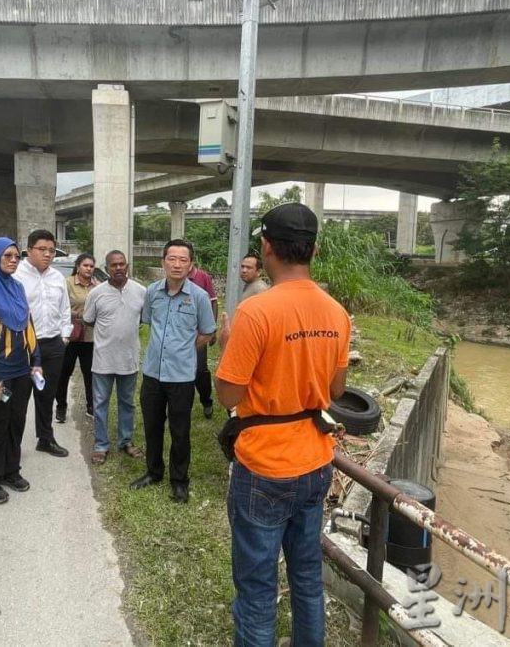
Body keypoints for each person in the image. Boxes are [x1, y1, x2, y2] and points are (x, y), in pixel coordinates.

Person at [214, 203, 351, 647]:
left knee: (257, 590)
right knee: (307, 576)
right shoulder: (336, 312)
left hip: (265, 465)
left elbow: (229, 396)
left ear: (267, 246)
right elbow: (333, 391)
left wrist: (230, 344)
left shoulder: (257, 312)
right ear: (314, 248)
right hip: (315, 460)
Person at [130, 239, 215, 503]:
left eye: (183, 260)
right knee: (152, 426)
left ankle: (179, 481)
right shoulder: (152, 292)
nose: (177, 264)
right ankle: (153, 471)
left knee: (180, 430)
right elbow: (147, 322)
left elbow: (207, 332)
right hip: (153, 372)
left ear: (190, 266)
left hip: (181, 375)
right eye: (172, 259)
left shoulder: (199, 297)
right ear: (163, 262)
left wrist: (186, 349)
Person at [0, 237, 44, 505]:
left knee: (16, 422)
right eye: (7, 256)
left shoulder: (17, 288)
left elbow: (28, 326)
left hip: (21, 370)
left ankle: (11, 470)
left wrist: (35, 359)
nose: (13, 260)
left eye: (16, 256)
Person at [82, 250, 146, 465]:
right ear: (106, 268)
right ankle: (101, 445)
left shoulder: (140, 291)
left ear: (127, 266)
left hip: (129, 359)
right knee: (100, 404)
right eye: (113, 265)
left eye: (121, 264)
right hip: (103, 360)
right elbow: (88, 320)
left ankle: (125, 441)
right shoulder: (96, 293)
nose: (118, 268)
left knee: (127, 403)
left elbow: (142, 320)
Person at [13, 229, 72, 458]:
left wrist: (64, 336)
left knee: (47, 395)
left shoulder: (57, 277)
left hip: (53, 344)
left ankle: (45, 439)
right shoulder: (16, 276)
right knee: (19, 399)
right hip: (25, 346)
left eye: (51, 250)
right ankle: (13, 448)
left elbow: (64, 308)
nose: (48, 254)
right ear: (28, 250)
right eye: (42, 249)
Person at [55, 253, 99, 422]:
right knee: (64, 372)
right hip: (70, 336)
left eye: (91, 266)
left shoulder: (97, 285)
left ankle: (91, 406)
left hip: (90, 337)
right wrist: (79, 314)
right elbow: (60, 308)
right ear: (78, 266)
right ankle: (61, 407)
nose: (89, 269)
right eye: (85, 265)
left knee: (90, 373)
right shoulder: (67, 284)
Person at [188, 262, 218, 418]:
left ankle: (207, 401)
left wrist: (211, 329)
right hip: (179, 334)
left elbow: (213, 301)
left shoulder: (202, 277)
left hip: (199, 333)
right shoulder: (173, 277)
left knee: (200, 370)